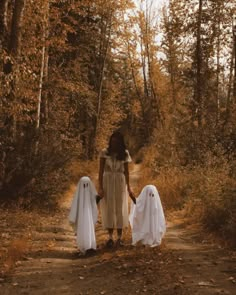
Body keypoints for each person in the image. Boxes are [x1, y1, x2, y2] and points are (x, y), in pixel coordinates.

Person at [98, 131, 136, 247]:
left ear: (120, 143)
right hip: (107, 181)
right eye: (112, 141)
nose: (113, 144)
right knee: (109, 208)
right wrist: (100, 187)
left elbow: (127, 172)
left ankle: (119, 238)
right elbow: (100, 171)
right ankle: (110, 237)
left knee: (120, 208)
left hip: (120, 181)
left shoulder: (124, 154)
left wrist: (129, 187)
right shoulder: (105, 152)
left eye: (116, 142)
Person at [68, 176, 98, 255]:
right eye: (83, 185)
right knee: (83, 230)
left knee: (89, 230)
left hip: (89, 217)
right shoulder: (78, 197)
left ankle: (90, 246)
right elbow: (75, 207)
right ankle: (84, 247)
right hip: (81, 217)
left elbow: (95, 202)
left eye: (87, 185)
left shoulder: (91, 195)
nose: (85, 187)